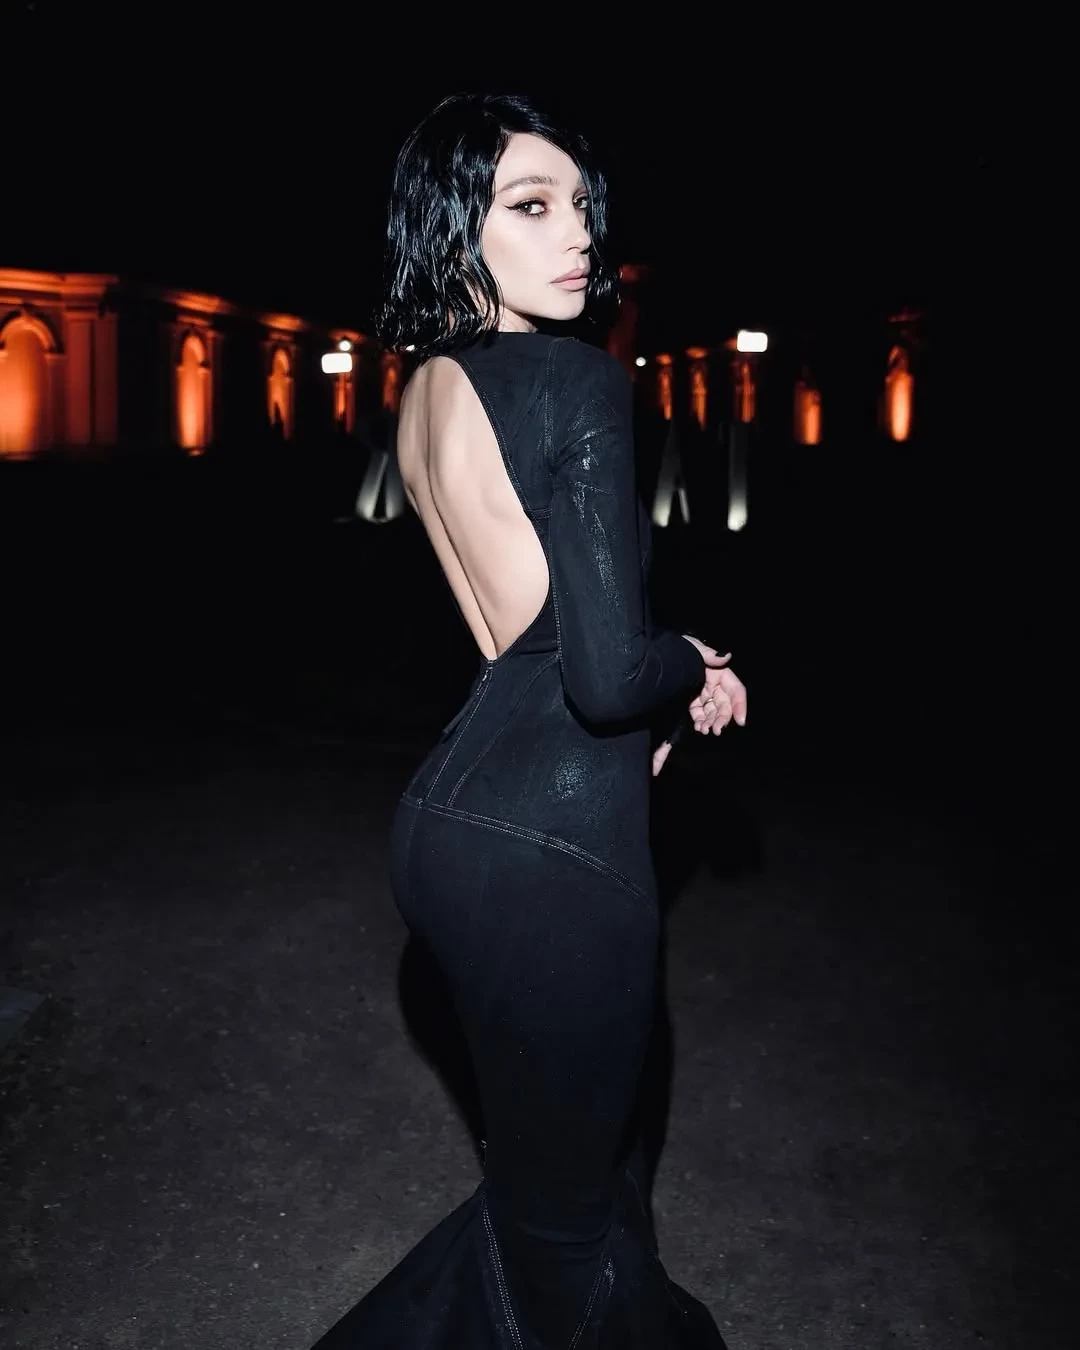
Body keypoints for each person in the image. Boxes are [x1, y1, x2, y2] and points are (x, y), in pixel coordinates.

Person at [310, 91, 747, 1349]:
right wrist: (686, 662)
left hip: (452, 820)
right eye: (532, 206)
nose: (579, 236)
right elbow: (603, 677)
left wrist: (657, 681)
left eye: (582, 209)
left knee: (560, 1185)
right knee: (570, 1221)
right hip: (554, 847)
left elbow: (532, 637)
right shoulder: (578, 382)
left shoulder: (425, 388)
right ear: (457, 229)